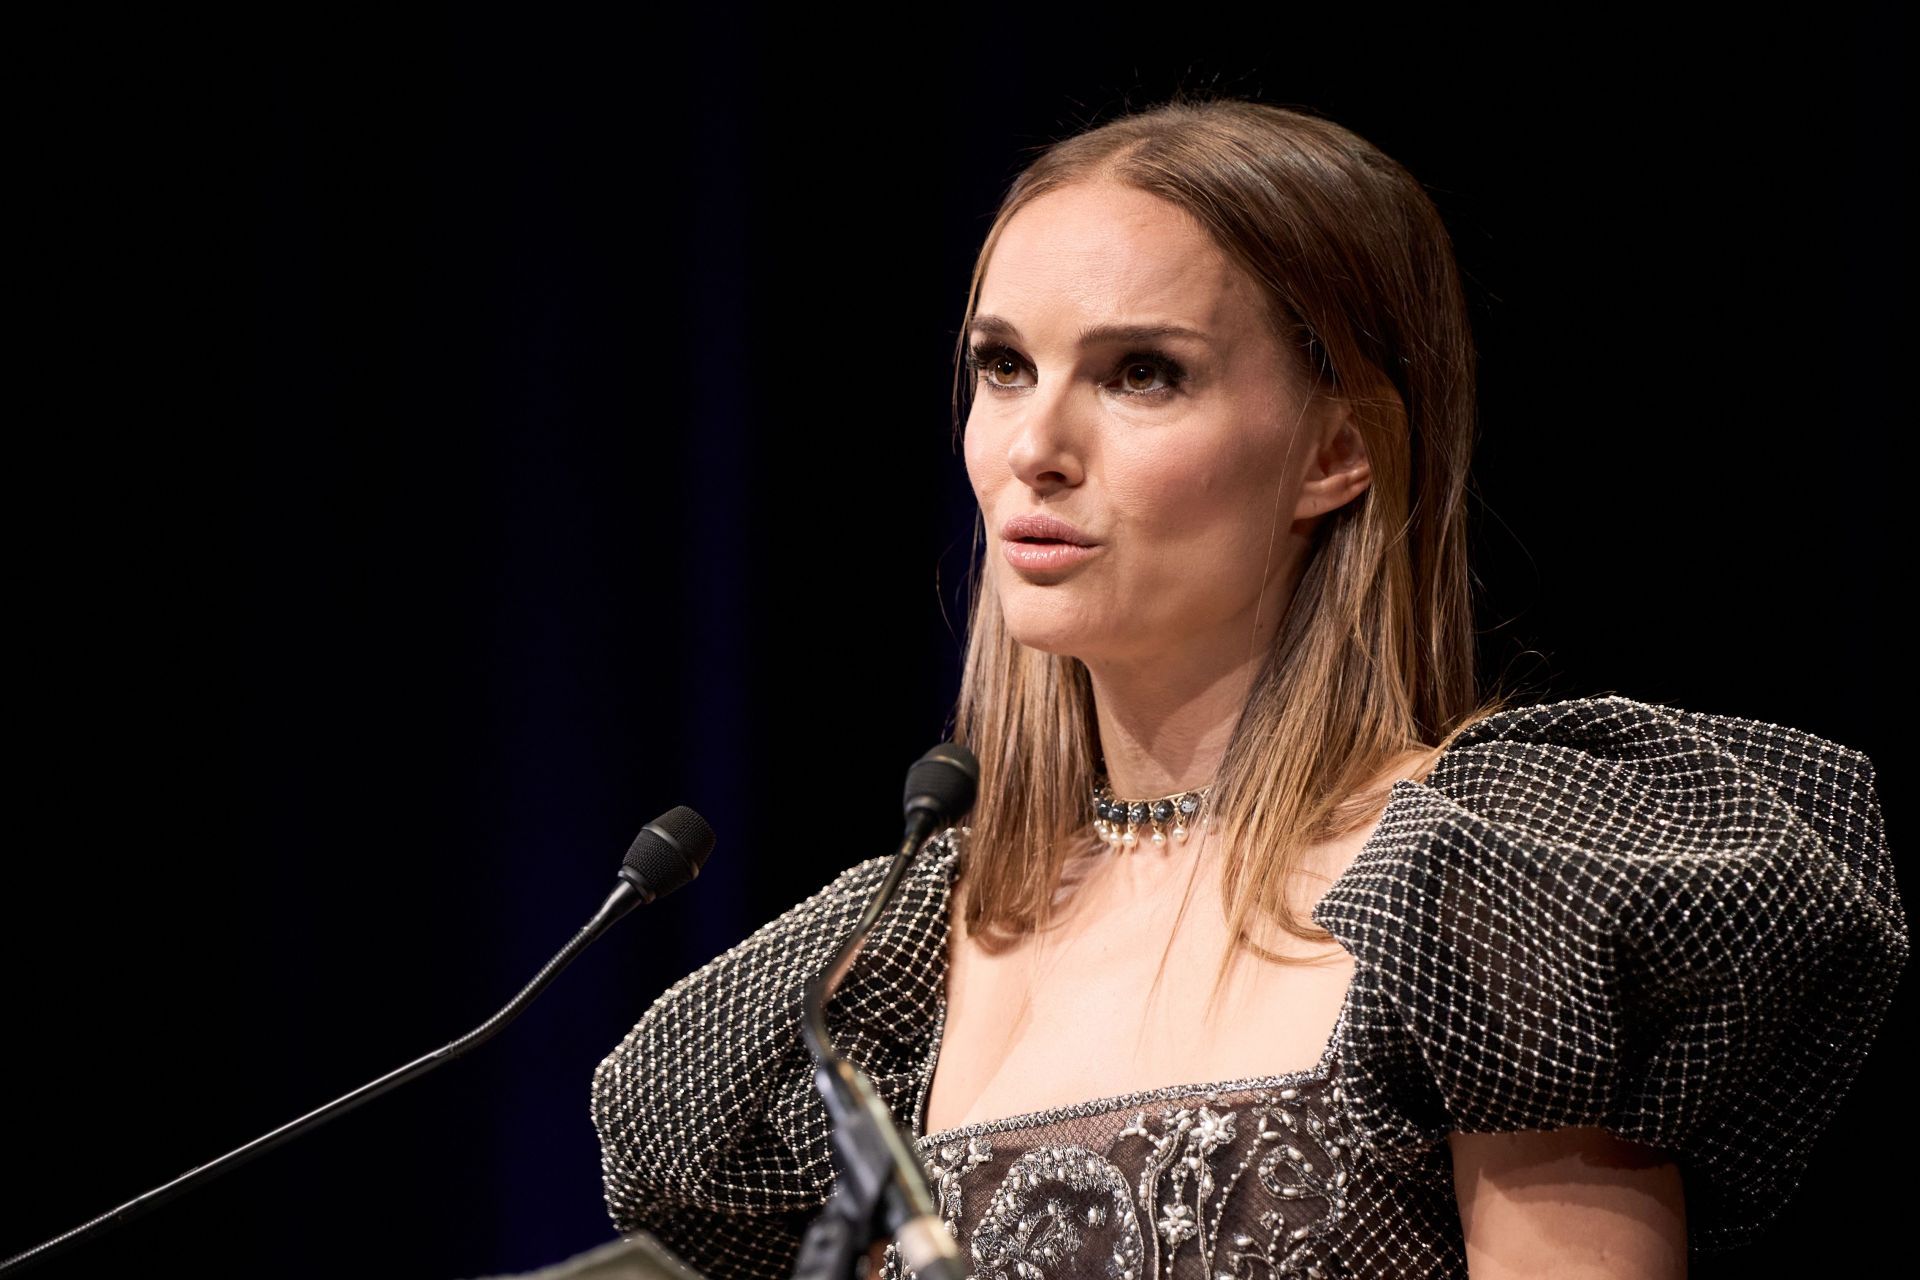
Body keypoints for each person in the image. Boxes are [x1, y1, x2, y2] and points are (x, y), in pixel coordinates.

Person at [588, 95, 1906, 1279]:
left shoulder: (1493, 892)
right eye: (1003, 367)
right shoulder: (893, 971)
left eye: (1139, 374)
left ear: (1337, 450)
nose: (1033, 447)